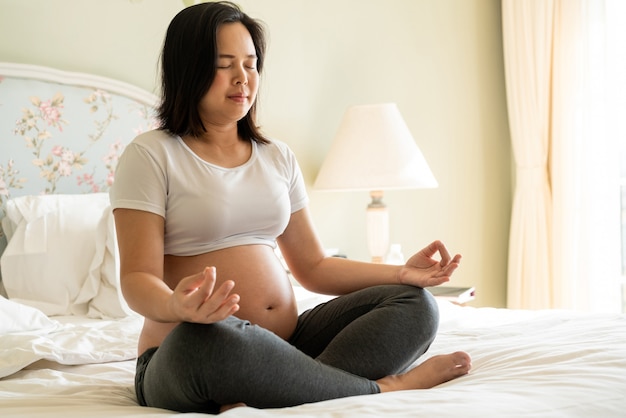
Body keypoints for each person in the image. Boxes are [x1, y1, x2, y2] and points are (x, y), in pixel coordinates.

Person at [109, 1, 471, 414]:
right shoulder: (152, 155)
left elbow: (314, 266)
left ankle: (288, 386)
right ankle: (382, 390)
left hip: (287, 344)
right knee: (207, 340)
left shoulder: (277, 156)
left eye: (250, 63)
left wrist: (402, 274)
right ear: (188, 69)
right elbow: (137, 278)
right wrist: (176, 305)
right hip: (188, 351)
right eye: (225, 64)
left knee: (414, 303)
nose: (242, 77)